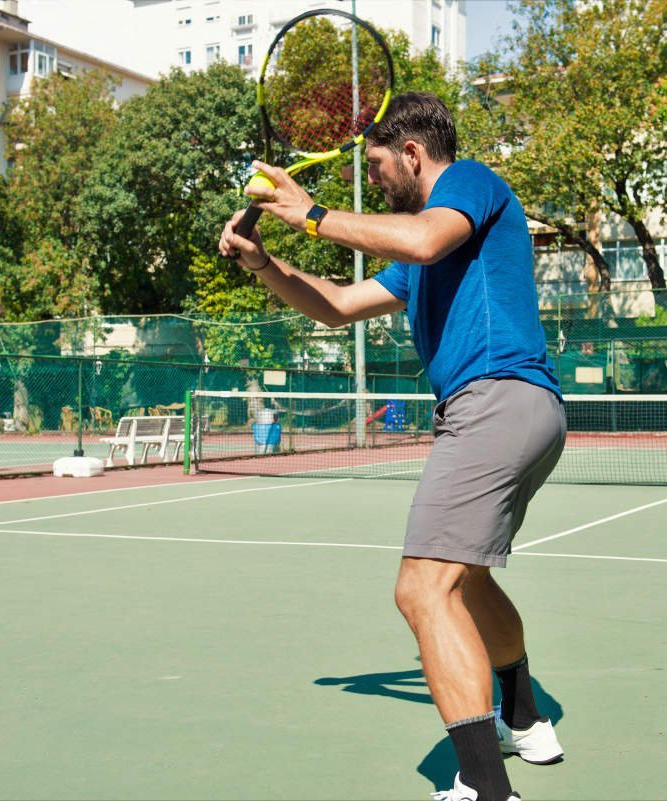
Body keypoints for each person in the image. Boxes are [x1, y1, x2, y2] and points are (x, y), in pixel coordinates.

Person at [218, 92, 565, 801]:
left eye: (378, 170)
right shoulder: (422, 254)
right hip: (527, 410)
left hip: (493, 400)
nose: (374, 185)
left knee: (420, 589)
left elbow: (423, 236)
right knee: (464, 580)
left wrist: (310, 214)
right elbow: (339, 304)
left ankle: (486, 788)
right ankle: (526, 719)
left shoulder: (466, 183)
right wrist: (263, 264)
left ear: (413, 154)